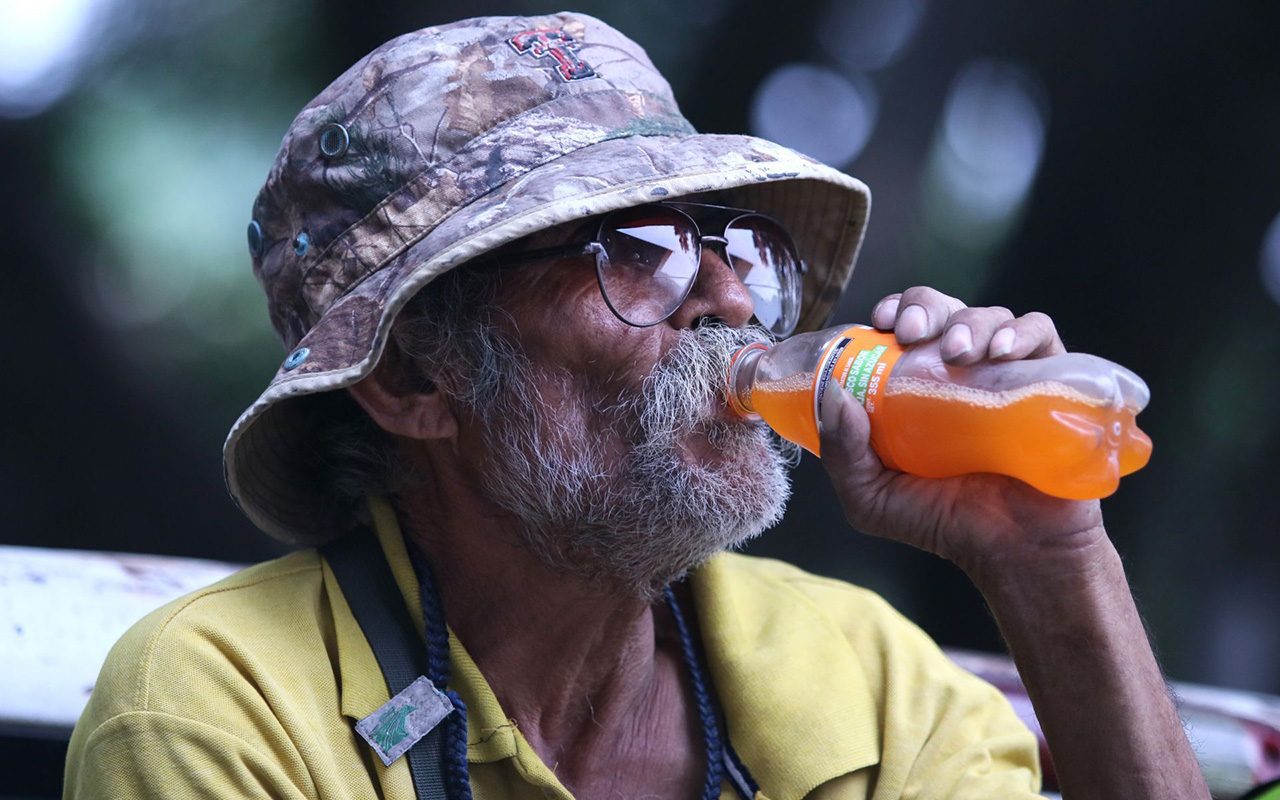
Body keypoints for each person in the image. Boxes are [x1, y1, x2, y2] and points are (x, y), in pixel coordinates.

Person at [64, 12, 1209, 800]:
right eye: (637, 251)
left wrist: (1046, 564)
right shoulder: (220, 702)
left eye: (731, 244)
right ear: (412, 378)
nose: (726, 298)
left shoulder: (859, 671)